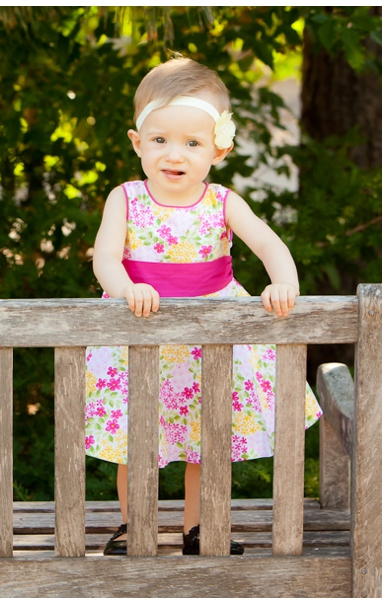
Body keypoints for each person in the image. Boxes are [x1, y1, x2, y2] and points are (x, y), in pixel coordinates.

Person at [85, 56, 321, 556]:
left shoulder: (222, 202)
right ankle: (137, 525)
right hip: (140, 329)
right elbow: (105, 260)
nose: (175, 154)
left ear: (219, 147)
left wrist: (283, 281)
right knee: (137, 439)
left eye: (192, 143)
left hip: (206, 339)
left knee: (206, 438)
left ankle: (200, 526)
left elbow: (271, 244)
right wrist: (127, 288)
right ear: (137, 142)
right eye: (160, 140)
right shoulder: (126, 199)